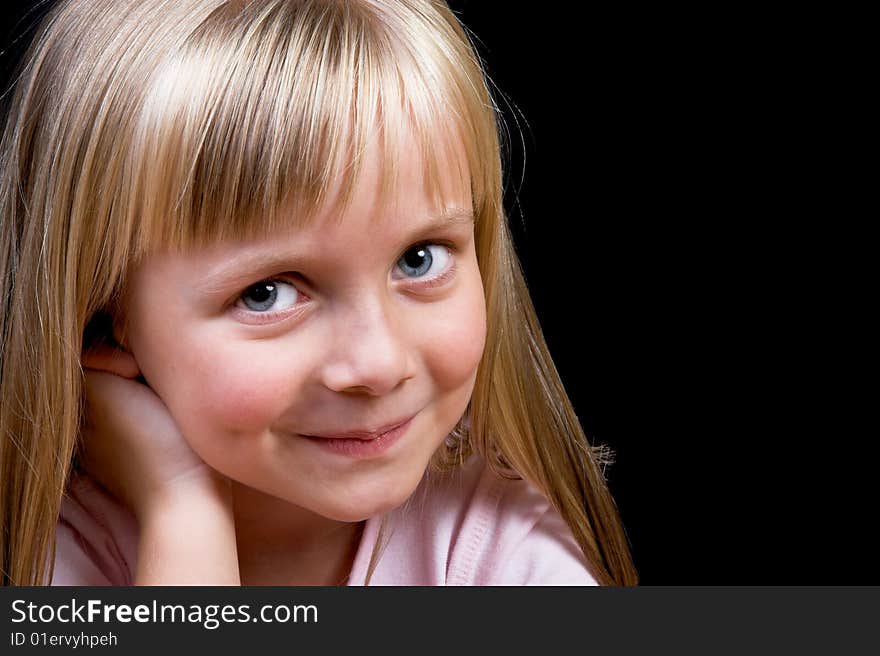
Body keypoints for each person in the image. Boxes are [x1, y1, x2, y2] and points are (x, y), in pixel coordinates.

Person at [0, 0, 637, 586]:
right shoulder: (50, 555)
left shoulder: (493, 546)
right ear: (107, 316)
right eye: (267, 293)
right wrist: (182, 512)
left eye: (419, 260)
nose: (378, 365)